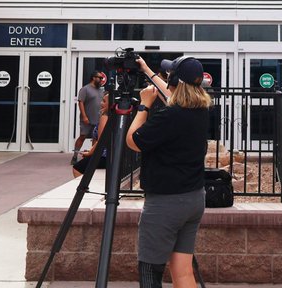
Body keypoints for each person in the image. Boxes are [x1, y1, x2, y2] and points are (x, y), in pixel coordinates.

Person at [126, 57, 211, 288]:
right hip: (194, 199)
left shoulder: (169, 116)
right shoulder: (200, 109)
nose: (166, 78)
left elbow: (134, 141)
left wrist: (144, 106)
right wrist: (146, 69)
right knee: (183, 273)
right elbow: (173, 95)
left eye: (168, 75)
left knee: (150, 271)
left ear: (175, 82)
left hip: (166, 203)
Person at [74, 71, 105, 155]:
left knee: (95, 138)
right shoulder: (85, 89)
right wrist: (84, 116)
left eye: (102, 78)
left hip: (98, 118)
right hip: (87, 118)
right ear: (93, 78)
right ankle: (75, 155)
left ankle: (91, 157)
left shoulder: (101, 90)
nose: (101, 80)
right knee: (82, 136)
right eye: (100, 78)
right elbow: (81, 102)